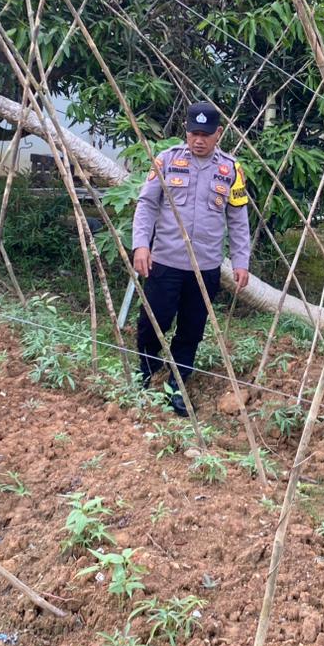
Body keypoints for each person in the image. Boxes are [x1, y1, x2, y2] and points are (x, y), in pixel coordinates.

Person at [131, 102, 252, 417]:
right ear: (185, 131)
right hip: (165, 263)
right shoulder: (167, 161)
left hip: (206, 268)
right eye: (194, 133)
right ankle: (147, 372)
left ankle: (176, 385)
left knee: (191, 329)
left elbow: (239, 220)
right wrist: (141, 245)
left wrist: (241, 261)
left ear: (219, 134)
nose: (199, 140)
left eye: (206, 134)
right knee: (152, 322)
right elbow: (146, 204)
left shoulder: (231, 170)